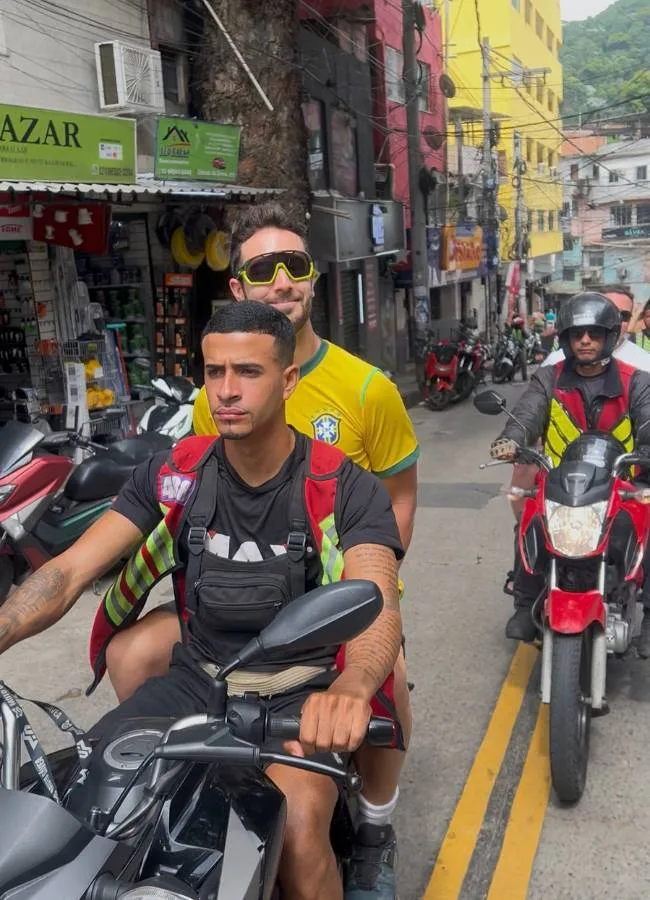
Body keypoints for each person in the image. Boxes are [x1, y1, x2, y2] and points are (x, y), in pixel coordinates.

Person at [0, 301, 405, 900]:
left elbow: (377, 597)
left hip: (297, 694)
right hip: (198, 680)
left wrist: (349, 689)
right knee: (93, 795)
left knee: (297, 829)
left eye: (248, 371)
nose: (227, 391)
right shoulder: (175, 474)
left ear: (288, 380)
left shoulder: (342, 485)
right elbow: (66, 574)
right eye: (214, 373)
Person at [106, 203, 418, 899]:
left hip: (339, 591)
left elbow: (396, 497)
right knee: (131, 653)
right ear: (237, 288)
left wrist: (369, 578)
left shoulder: (369, 389)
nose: (282, 280)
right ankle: (189, 778)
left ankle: (373, 826)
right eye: (261, 268)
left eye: (296, 265)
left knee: (385, 667)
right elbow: (190, 497)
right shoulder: (207, 401)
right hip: (231, 606)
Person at [491, 292, 650, 647]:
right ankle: (525, 603)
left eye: (594, 333)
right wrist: (511, 440)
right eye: (578, 334)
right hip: (563, 484)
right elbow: (527, 415)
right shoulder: (549, 378)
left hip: (620, 485)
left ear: (610, 336)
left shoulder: (635, 381)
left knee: (648, 528)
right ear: (565, 338)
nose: (586, 340)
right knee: (530, 518)